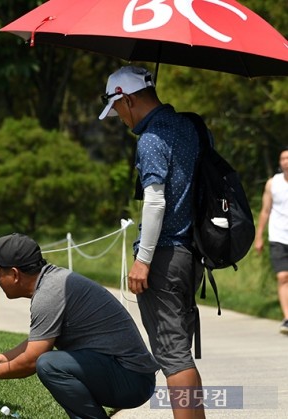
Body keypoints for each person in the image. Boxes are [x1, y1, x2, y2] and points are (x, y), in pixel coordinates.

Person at [99, 66, 205, 419]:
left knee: (174, 359)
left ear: (127, 98)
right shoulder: (189, 127)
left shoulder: (151, 138)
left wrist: (143, 259)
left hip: (163, 256)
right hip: (191, 254)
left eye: (116, 108)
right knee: (179, 353)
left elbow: (156, 201)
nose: (118, 118)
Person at [0, 233, 159, 419]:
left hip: (132, 380)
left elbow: (32, 360)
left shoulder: (48, 294)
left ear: (14, 274)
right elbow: (38, 340)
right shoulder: (51, 282)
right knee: (49, 362)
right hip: (130, 375)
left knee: (49, 365)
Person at [254, 146, 288, 334]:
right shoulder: (272, 183)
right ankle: (287, 318)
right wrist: (259, 236)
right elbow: (265, 211)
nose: (286, 162)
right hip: (279, 236)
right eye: (283, 158)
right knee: (283, 276)